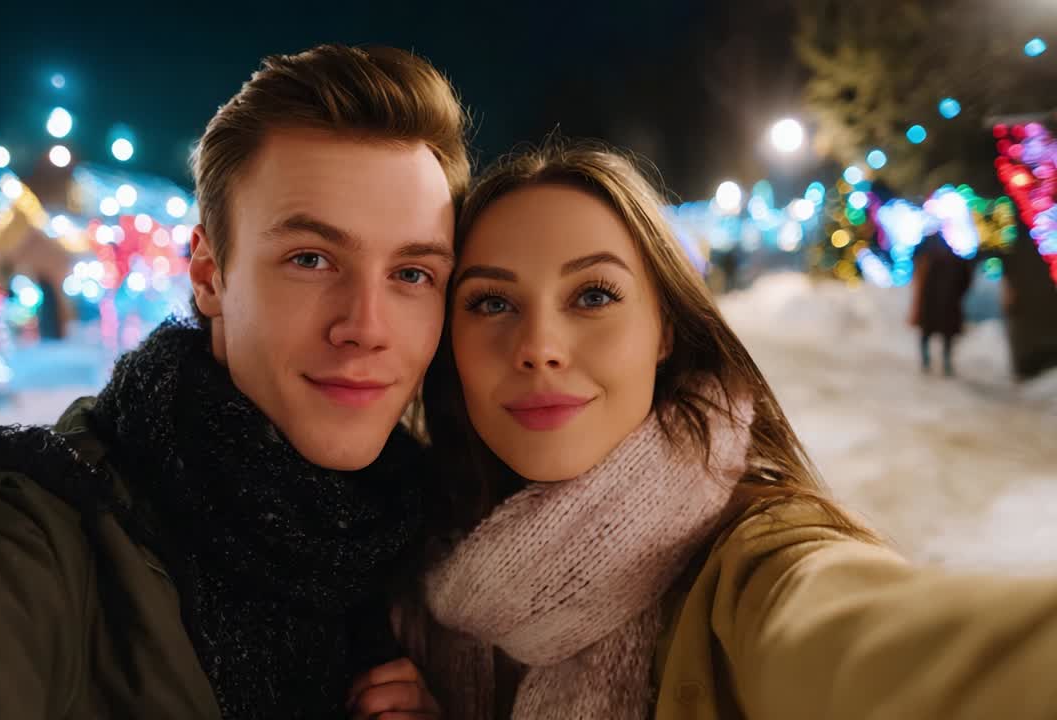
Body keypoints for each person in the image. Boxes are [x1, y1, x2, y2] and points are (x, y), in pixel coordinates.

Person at [0, 44, 466, 720]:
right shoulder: (52, 524)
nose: (366, 326)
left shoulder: (434, 543)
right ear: (209, 276)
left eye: (412, 274)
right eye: (311, 258)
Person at [382, 140, 1057, 720]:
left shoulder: (750, 569)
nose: (540, 346)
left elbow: (887, 644)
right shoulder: (400, 567)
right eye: (492, 302)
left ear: (665, 329)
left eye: (594, 295)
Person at [909, 230, 974, 376]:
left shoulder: (930, 261)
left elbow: (964, 280)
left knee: (932, 334)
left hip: (936, 304)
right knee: (942, 335)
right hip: (945, 304)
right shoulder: (946, 260)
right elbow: (966, 281)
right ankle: (940, 362)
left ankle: (933, 361)